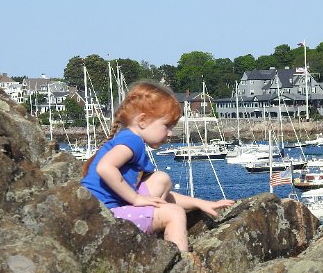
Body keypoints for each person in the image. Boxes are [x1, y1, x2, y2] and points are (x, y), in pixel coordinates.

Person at [81, 81, 234, 252]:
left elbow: (163, 197)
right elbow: (105, 168)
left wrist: (200, 203)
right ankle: (181, 261)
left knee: (161, 179)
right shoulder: (132, 141)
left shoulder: (128, 138)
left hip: (101, 211)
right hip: (102, 217)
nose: (170, 133)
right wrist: (136, 199)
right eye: (166, 125)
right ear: (143, 120)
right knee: (175, 213)